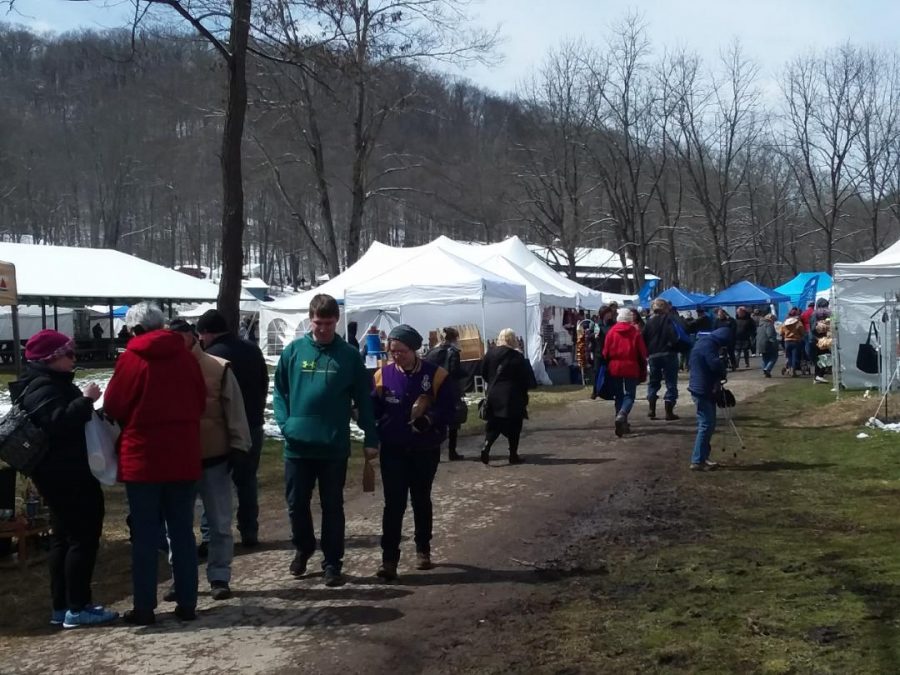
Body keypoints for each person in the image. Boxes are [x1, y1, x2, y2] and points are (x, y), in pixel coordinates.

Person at [104, 302, 206, 625]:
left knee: (145, 537)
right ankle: (188, 602)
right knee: (182, 533)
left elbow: (115, 404)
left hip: (143, 458)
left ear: (134, 330)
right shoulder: (187, 358)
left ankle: (144, 607)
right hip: (183, 455)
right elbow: (201, 400)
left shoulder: (132, 360)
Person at [8, 330, 118, 628]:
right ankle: (77, 606)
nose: (74, 359)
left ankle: (63, 606)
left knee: (63, 538)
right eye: (68, 354)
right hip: (66, 473)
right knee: (82, 536)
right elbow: (57, 424)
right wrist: (86, 400)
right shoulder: (44, 386)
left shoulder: (43, 383)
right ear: (51, 358)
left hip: (56, 473)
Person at [273, 294, 379, 587]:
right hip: (297, 446)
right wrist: (285, 425)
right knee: (296, 503)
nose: (323, 329)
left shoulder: (348, 356)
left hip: (333, 446)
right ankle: (303, 547)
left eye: (329, 323)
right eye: (318, 323)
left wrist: (371, 436)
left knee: (332, 505)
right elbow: (279, 392)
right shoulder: (294, 352)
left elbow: (364, 401)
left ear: (337, 321)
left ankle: (333, 562)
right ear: (310, 319)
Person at [168, 319, 251, 601]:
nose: (178, 343)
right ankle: (180, 577)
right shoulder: (163, 368)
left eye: (182, 337)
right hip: (178, 460)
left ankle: (219, 576)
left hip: (213, 458)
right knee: (177, 525)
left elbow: (234, 410)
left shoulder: (218, 367)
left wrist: (240, 446)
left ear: (194, 337)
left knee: (219, 523)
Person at [372, 325, 456, 581]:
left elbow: (449, 408)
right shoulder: (381, 376)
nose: (396, 355)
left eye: (401, 351)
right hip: (393, 449)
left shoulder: (437, 375)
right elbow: (373, 410)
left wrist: (430, 419)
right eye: (392, 351)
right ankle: (389, 560)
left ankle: (423, 550)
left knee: (421, 499)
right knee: (393, 504)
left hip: (424, 449)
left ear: (414, 349)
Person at [196, 309, 270, 549]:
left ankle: (211, 536)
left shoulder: (211, 357)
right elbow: (263, 382)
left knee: (215, 485)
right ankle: (250, 530)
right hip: (253, 423)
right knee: (247, 481)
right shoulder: (251, 348)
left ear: (207, 333)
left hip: (223, 428)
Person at [479, 328, 537, 464]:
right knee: (514, 426)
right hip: (512, 395)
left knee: (494, 424)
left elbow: (483, 372)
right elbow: (525, 378)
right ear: (513, 339)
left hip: (494, 394)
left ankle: (486, 446)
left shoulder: (490, 354)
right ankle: (513, 455)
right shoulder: (517, 356)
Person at [687, 327, 731, 471]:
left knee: (708, 424)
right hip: (703, 388)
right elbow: (714, 363)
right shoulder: (709, 345)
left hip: (700, 386)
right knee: (706, 425)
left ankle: (703, 457)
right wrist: (722, 370)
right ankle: (698, 459)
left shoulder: (703, 342)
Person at [603, 307, 648, 437]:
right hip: (631, 366)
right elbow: (642, 353)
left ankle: (621, 420)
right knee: (629, 395)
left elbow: (605, 352)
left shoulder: (611, 332)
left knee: (618, 395)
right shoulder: (635, 333)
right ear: (629, 319)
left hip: (615, 366)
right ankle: (622, 415)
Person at [424, 327, 466, 461]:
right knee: (453, 422)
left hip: (433, 388)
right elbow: (454, 371)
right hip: (449, 388)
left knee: (434, 418)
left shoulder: (431, 352)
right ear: (454, 338)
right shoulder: (453, 352)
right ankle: (452, 452)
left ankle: (432, 449)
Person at [642, 299, 680, 421]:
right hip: (668, 353)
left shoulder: (648, 322)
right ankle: (669, 411)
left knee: (653, 381)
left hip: (653, 355)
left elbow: (643, 338)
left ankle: (651, 408)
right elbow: (675, 336)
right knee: (671, 382)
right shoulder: (670, 320)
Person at [780, 308, 806, 377]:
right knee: (794, 356)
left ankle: (789, 368)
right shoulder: (798, 322)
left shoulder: (785, 323)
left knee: (789, 357)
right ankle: (793, 371)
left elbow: (781, 333)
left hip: (787, 341)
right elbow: (802, 332)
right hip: (795, 341)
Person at [811, 299, 832, 384]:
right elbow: (813, 328)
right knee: (823, 356)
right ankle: (819, 375)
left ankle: (818, 376)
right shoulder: (816, 314)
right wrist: (822, 326)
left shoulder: (816, 313)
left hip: (821, 339)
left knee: (822, 357)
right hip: (819, 339)